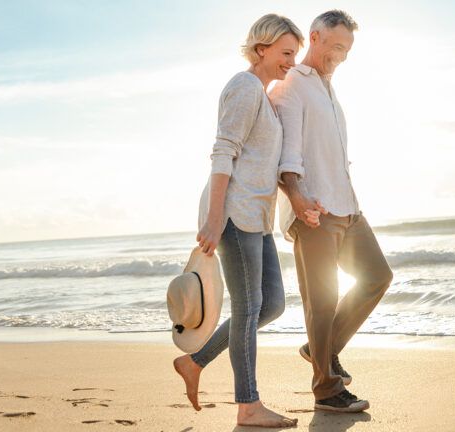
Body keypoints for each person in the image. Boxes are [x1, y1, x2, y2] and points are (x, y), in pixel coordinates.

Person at [172, 14, 310, 428]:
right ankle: (248, 406)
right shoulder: (244, 86)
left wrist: (297, 201)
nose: (290, 62)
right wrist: (215, 220)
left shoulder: (264, 96)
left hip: (257, 216)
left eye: (294, 55)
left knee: (271, 304)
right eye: (286, 53)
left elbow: (262, 164)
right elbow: (222, 152)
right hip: (233, 214)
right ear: (261, 48)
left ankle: (194, 361)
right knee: (249, 308)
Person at [271, 10, 394, 413]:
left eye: (347, 50)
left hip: (347, 206)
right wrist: (297, 198)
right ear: (315, 37)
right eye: (336, 47)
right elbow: (287, 153)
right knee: (321, 301)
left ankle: (320, 349)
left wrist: (353, 203)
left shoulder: (328, 87)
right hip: (315, 210)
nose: (340, 56)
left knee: (378, 276)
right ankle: (326, 390)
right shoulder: (292, 84)